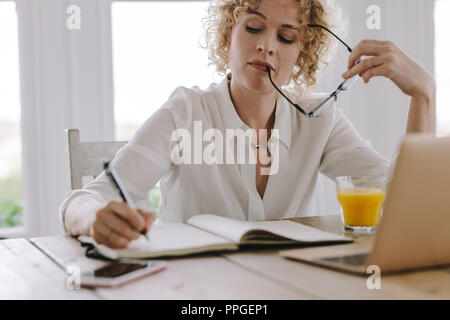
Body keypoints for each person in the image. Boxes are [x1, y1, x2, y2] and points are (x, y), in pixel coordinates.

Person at [59, 0, 435, 248]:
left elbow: (412, 204)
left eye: (286, 37)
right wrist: (94, 218)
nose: (267, 46)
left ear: (300, 56)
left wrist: (424, 95)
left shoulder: (320, 118)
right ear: (228, 38)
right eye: (253, 29)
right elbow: (82, 201)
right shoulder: (185, 112)